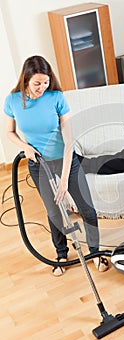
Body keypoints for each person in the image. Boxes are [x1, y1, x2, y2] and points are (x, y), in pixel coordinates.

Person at [4, 55, 109, 276]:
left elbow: (69, 140)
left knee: (87, 210)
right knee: (54, 214)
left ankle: (95, 252)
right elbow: (9, 132)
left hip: (66, 161)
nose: (42, 87)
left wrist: (63, 181)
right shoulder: (13, 101)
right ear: (26, 80)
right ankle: (61, 254)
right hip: (38, 165)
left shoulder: (56, 98)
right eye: (37, 83)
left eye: (45, 82)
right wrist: (25, 147)